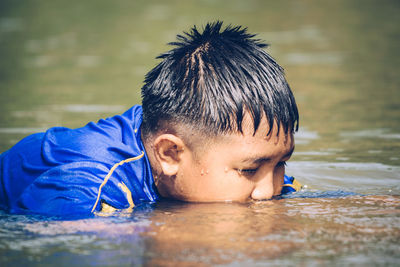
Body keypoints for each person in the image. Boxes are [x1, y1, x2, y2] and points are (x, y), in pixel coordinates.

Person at [0, 21, 301, 216]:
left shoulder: (243, 158)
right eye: (250, 170)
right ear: (170, 153)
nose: (269, 191)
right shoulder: (87, 187)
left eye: (280, 163)